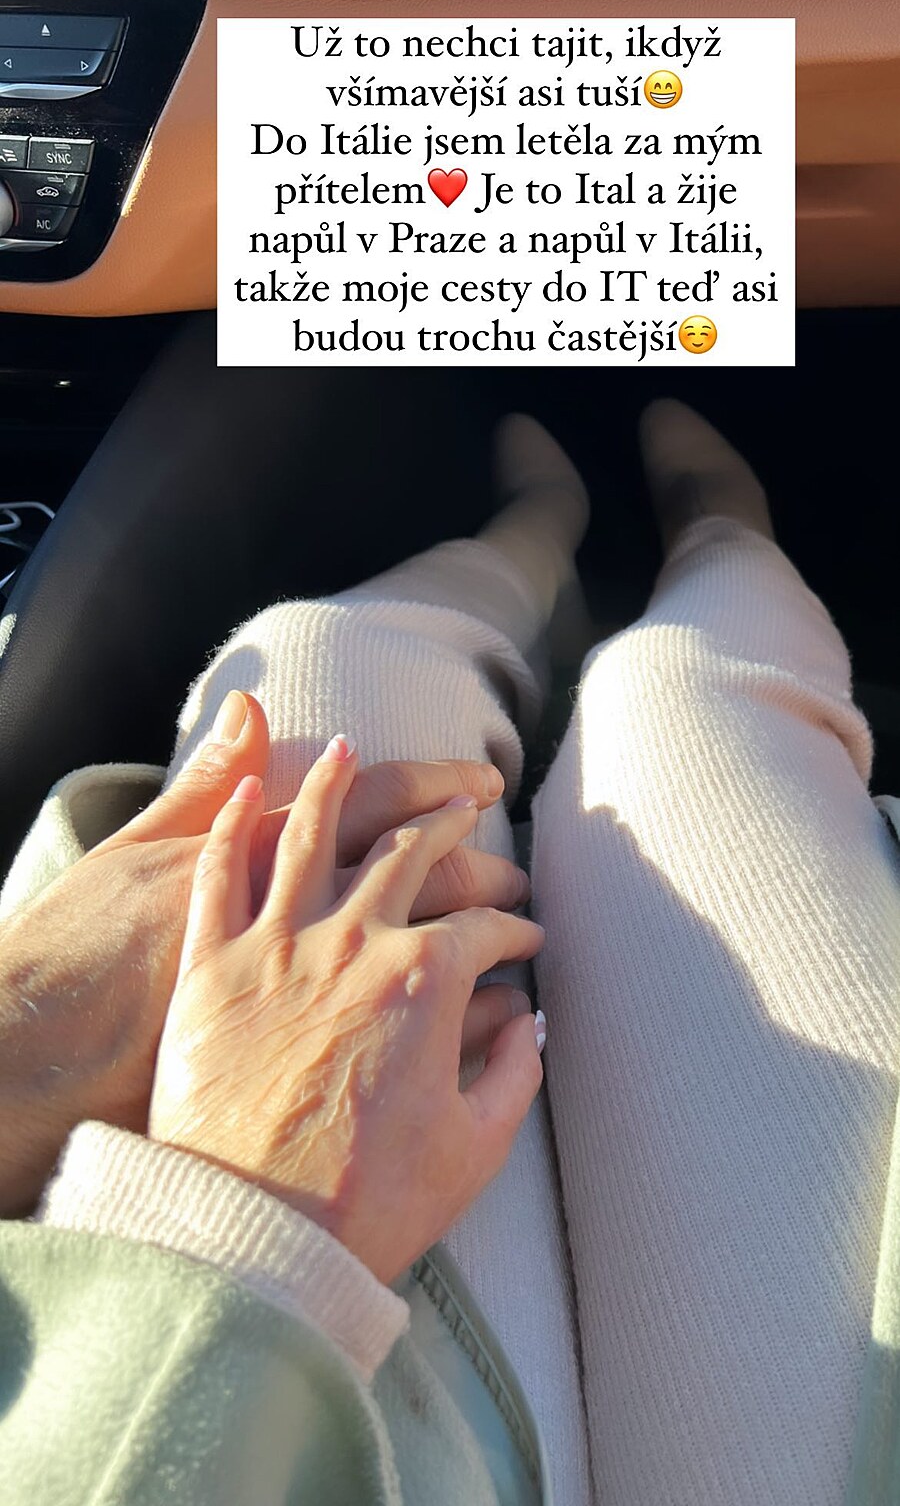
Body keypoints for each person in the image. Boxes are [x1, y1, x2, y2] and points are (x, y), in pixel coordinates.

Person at [0, 399, 898, 1506]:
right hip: (219, 1368)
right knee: (675, 700)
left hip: (71, 1315)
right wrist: (243, 1229)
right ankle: (719, 531)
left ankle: (540, 537)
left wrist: (16, 1049)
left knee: (319, 672)